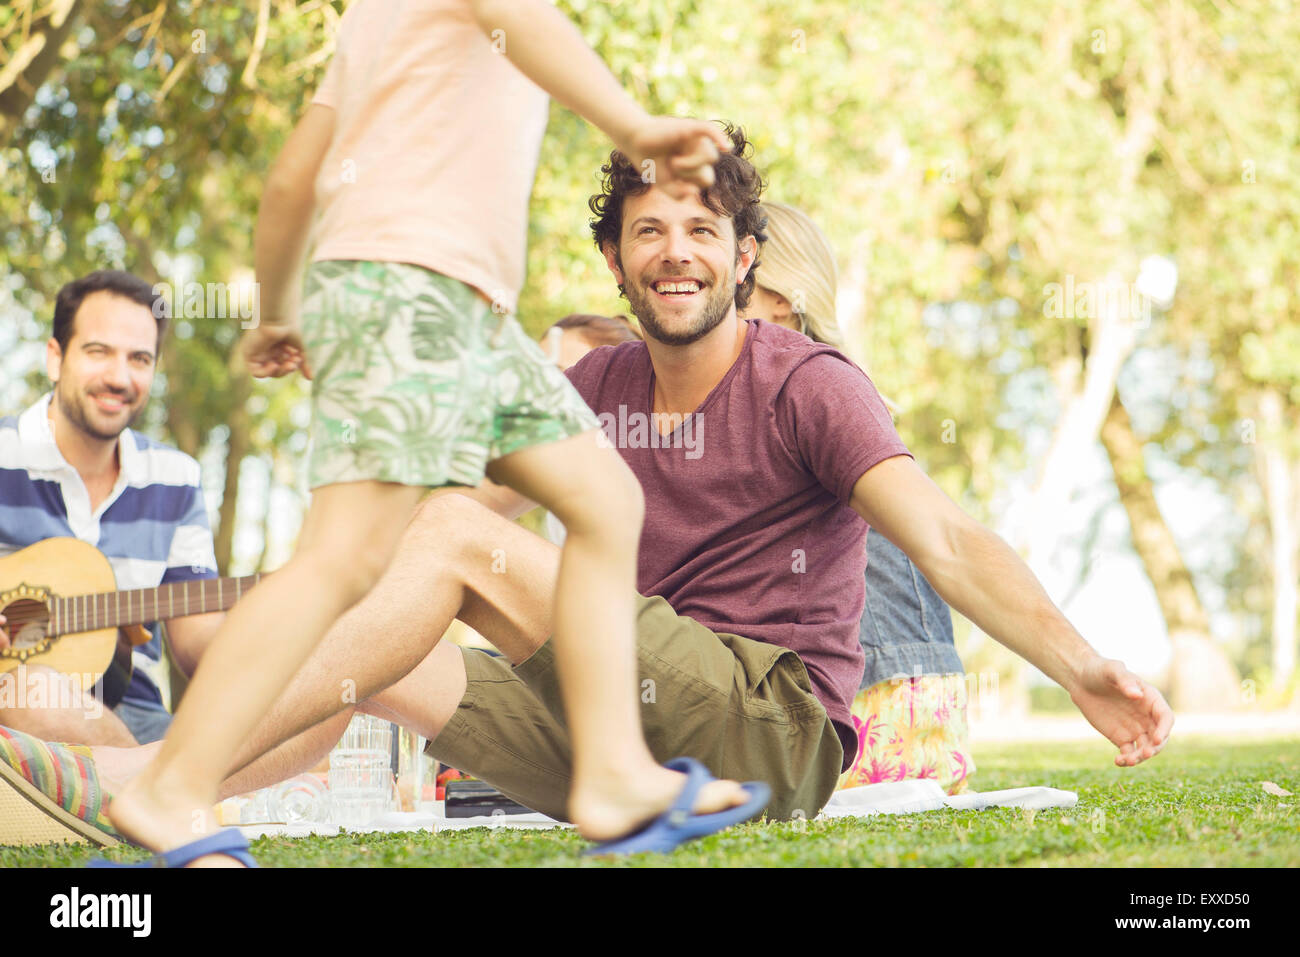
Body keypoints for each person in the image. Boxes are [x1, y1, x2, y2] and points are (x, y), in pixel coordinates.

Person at [50, 125, 1170, 847]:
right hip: (628, 729)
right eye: (648, 231)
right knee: (392, 653)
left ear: (742, 258)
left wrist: (1080, 668)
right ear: (615, 262)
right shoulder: (598, 383)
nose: (674, 250)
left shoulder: (808, 385)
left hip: (769, 730)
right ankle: (183, 802)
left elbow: (947, 540)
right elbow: (421, 533)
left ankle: (154, 766)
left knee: (444, 541)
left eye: (701, 230)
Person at [105, 0, 759, 867]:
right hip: (409, 293)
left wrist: (278, 309)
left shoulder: (374, 22)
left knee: (604, 499)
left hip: (468, 317)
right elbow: (527, 26)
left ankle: (609, 773)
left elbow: (294, 176)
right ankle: (169, 784)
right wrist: (635, 126)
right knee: (343, 560)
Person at [739, 201, 973, 794]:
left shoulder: (803, 391)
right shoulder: (830, 383)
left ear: (780, 300)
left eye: (737, 275)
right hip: (918, 706)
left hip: (871, 715)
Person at [0, 270, 224, 747]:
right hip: (13, 721)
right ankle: (156, 795)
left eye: (139, 358)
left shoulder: (175, 477)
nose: (119, 377)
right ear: (56, 358)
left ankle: (143, 787)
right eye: (98, 351)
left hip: (137, 720)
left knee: (306, 694)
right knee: (33, 691)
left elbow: (202, 646)